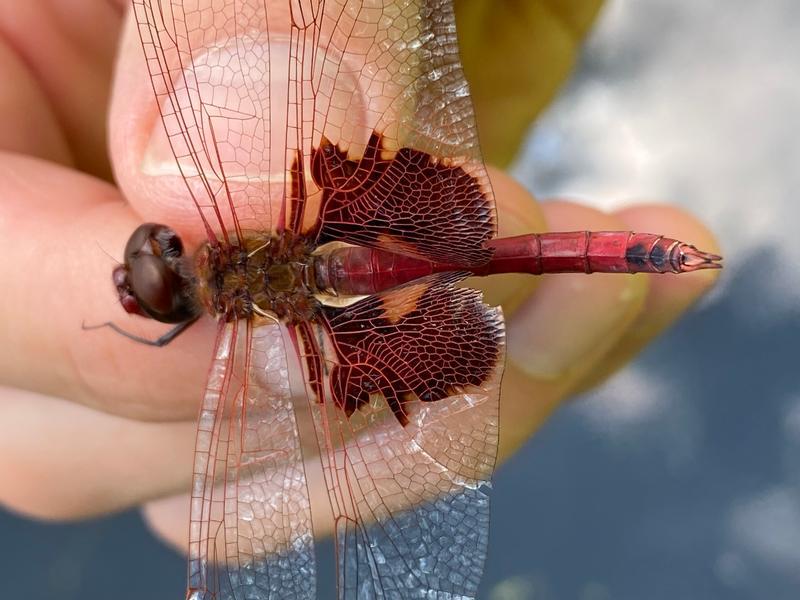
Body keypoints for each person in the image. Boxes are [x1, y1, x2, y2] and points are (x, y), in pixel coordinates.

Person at [0, 0, 719, 556]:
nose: (141, 273)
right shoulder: (229, 238)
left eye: (144, 267)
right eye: (152, 277)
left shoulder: (224, 264)